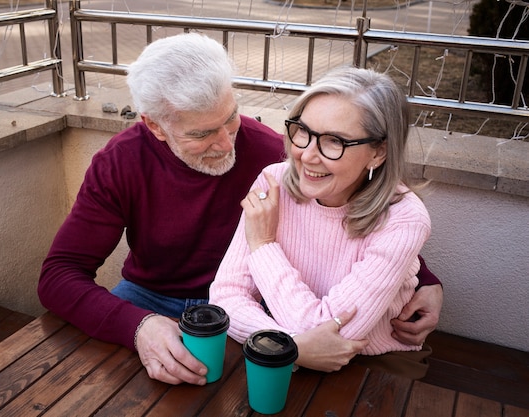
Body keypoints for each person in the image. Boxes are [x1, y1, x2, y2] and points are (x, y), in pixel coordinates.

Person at [38, 33, 443, 386]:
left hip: (258, 307)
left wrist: (422, 276)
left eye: (230, 118)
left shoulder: (275, 156)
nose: (226, 142)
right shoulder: (121, 162)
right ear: (155, 126)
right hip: (154, 299)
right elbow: (58, 275)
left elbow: (359, 216)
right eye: (201, 133)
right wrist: (137, 326)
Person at [209, 66, 435, 378]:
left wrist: (263, 246)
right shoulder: (272, 182)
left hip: (374, 362)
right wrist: (290, 347)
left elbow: (335, 335)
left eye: (334, 141)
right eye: (303, 131)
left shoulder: (403, 219)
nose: (306, 155)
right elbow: (226, 296)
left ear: (378, 153)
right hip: (280, 344)